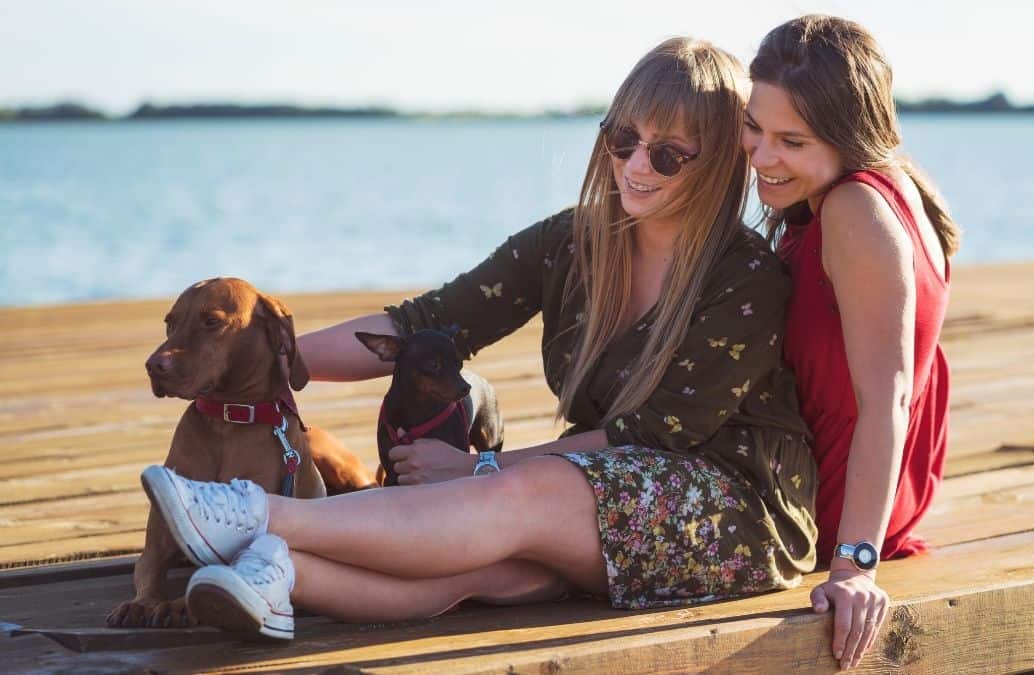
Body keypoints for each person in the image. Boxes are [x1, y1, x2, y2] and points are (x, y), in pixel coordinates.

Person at [138, 37, 821, 645]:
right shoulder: (574, 244)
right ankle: (277, 577)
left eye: (668, 154)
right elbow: (422, 323)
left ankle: (257, 516)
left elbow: (656, 435)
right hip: (606, 496)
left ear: (717, 164)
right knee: (480, 567)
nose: (635, 165)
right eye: (622, 139)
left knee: (518, 493)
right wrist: (268, 357)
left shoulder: (746, 277)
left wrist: (479, 467)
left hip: (736, 510)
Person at [742, 14, 959, 670]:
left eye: (791, 140)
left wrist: (855, 564)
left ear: (847, 135)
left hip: (829, 508)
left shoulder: (854, 211)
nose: (760, 154)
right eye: (753, 127)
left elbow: (888, 396)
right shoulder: (880, 185)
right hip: (856, 487)